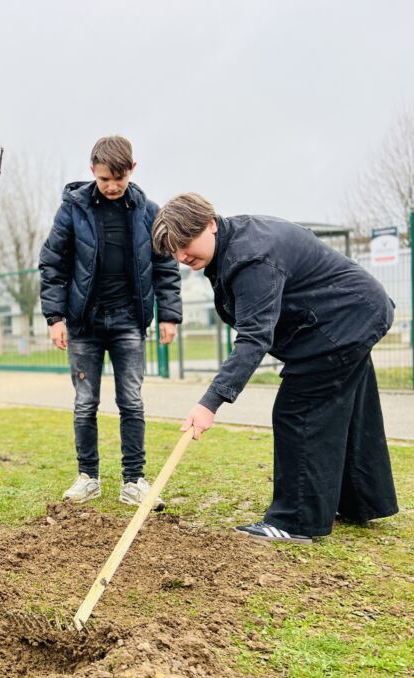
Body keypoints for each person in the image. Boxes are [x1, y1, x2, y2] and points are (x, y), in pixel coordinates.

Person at [152, 192, 398, 543]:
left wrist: (210, 403)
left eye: (185, 243)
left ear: (210, 224)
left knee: (298, 411)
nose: (180, 256)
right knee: (351, 410)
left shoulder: (251, 257)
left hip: (344, 321)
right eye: (173, 250)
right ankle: (363, 501)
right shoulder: (233, 244)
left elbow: (254, 337)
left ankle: (294, 521)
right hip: (351, 314)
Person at [39, 136, 182, 507]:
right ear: (92, 171)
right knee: (85, 404)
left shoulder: (148, 212)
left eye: (119, 178)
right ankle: (88, 478)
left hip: (128, 322)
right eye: (104, 179)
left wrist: (169, 314)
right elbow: (53, 264)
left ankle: (134, 481)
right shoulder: (72, 210)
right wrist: (55, 317)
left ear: (132, 170)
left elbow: (165, 265)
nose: (112, 186)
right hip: (83, 324)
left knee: (131, 401)